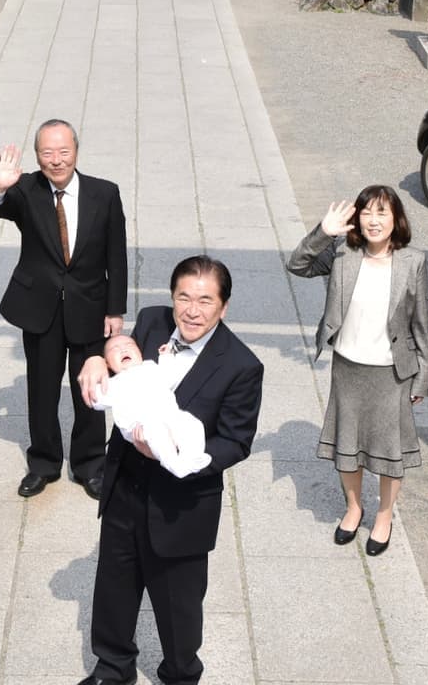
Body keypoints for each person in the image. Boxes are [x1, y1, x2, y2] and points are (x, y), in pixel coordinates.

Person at [76, 255, 263, 685]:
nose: (192, 310)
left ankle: (180, 674)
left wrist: (174, 455)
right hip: (124, 484)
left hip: (181, 506)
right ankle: (113, 668)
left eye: (205, 300)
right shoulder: (152, 321)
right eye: (184, 297)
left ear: (224, 306)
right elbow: (117, 357)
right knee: (114, 586)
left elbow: (235, 442)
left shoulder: (241, 365)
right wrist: (93, 360)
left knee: (178, 607)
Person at [286, 185, 428, 557]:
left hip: (392, 373)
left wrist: (423, 374)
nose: (374, 220)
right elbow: (297, 264)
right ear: (357, 219)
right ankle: (354, 508)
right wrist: (323, 231)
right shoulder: (342, 253)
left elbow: (420, 323)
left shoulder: (413, 261)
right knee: (346, 446)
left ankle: (384, 516)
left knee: (389, 451)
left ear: (396, 218)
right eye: (367, 212)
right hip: (348, 366)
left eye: (382, 213)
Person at [0, 121, 127, 498]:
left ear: (76, 152)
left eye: (63, 152)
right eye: (47, 153)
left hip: (90, 308)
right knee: (42, 391)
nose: (56, 160)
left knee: (91, 391)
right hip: (40, 309)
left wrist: (116, 309)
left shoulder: (105, 193)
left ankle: (90, 464)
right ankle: (44, 463)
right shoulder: (27, 189)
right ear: (37, 157)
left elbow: (117, 254)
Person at [91, 333, 210, 480]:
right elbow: (96, 401)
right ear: (107, 364)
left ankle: (192, 456)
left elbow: (170, 376)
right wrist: (95, 378)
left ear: (140, 353)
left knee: (192, 424)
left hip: (169, 414)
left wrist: (166, 357)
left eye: (129, 345)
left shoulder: (151, 367)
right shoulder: (113, 383)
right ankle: (174, 464)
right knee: (159, 435)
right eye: (114, 349)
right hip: (141, 425)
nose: (123, 350)